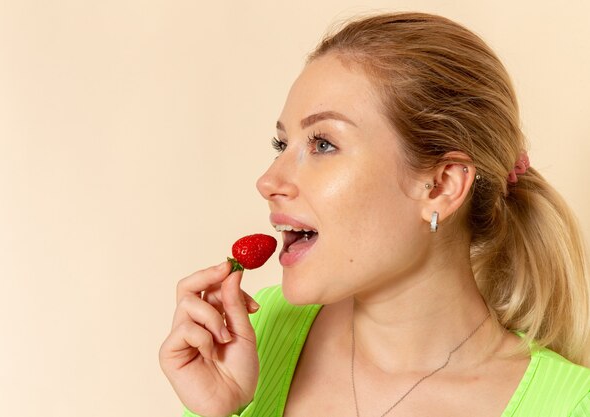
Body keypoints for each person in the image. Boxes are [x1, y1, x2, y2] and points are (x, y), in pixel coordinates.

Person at [159, 12, 590, 417]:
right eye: (282, 145)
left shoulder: (571, 405)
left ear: (440, 187)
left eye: (323, 144)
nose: (268, 181)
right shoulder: (255, 330)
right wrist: (218, 409)